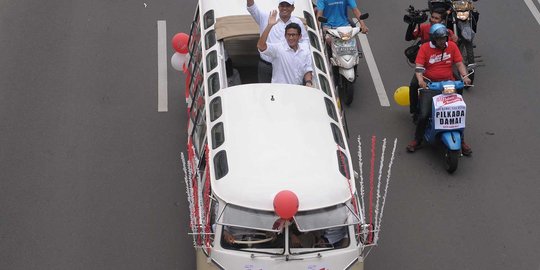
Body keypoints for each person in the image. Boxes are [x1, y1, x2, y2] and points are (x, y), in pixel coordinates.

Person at [406, 23, 472, 155]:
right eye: (439, 39)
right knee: (424, 115)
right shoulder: (425, 48)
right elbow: (419, 67)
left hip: (449, 84)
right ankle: (417, 140)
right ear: (433, 39)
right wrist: (420, 80)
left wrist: (465, 77)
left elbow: (459, 63)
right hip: (430, 85)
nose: (442, 41)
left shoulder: (452, 46)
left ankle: (462, 140)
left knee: (457, 113)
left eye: (444, 38)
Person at [406, 8, 458, 121]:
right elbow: (409, 37)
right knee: (414, 85)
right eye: (432, 17)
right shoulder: (424, 28)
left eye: (436, 18)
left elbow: (454, 52)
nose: (433, 20)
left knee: (459, 84)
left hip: (444, 66)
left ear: (442, 21)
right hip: (426, 68)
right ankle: (414, 110)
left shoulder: (448, 33)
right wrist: (413, 23)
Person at [247, 0, 309, 83]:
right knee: (264, 92)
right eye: (282, 5)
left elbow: (305, 41)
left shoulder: (298, 22)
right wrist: (270, 25)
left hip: (286, 66)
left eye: (287, 6)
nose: (284, 8)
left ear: (293, 8)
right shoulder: (267, 17)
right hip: (266, 64)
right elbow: (251, 8)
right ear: (279, 7)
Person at [257, 11, 314, 86]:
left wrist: (308, 82)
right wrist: (269, 25)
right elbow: (261, 46)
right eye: (288, 35)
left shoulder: (305, 50)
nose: (290, 38)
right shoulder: (278, 49)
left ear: (299, 37)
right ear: (285, 36)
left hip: (297, 90)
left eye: (293, 35)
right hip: (279, 91)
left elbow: (307, 69)